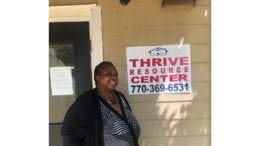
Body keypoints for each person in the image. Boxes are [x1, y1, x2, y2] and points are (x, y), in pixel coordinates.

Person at [61, 61, 140, 146]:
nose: (114, 78)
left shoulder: (120, 97)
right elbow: (70, 132)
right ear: (97, 77)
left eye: (115, 75)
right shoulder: (86, 101)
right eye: (108, 74)